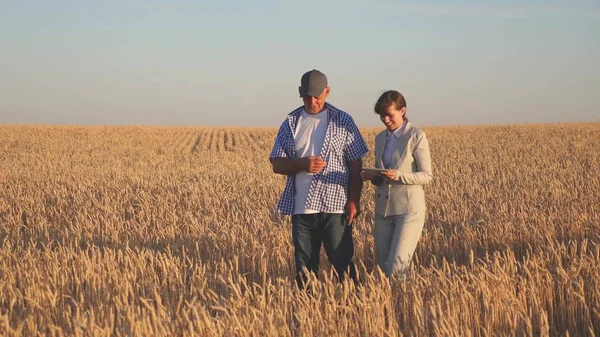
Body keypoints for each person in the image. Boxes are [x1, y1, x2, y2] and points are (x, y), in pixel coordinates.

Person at [269, 69, 368, 287]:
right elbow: (277, 163)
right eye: (307, 96)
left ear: (327, 92)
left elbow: (356, 163)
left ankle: (352, 309)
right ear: (299, 92)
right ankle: (307, 315)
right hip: (302, 209)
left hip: (336, 207)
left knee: (342, 263)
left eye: (317, 96)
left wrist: (354, 200)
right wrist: (303, 164)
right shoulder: (291, 122)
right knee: (304, 269)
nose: (312, 101)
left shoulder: (343, 120)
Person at [360, 90, 433, 278]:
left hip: (408, 211)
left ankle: (408, 304)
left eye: (389, 115)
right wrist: (372, 176)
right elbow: (381, 174)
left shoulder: (416, 136)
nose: (385, 119)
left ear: (403, 111)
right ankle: (396, 306)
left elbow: (427, 176)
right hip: (383, 212)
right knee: (384, 271)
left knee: (396, 269)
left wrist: (399, 175)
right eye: (382, 115)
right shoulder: (380, 138)